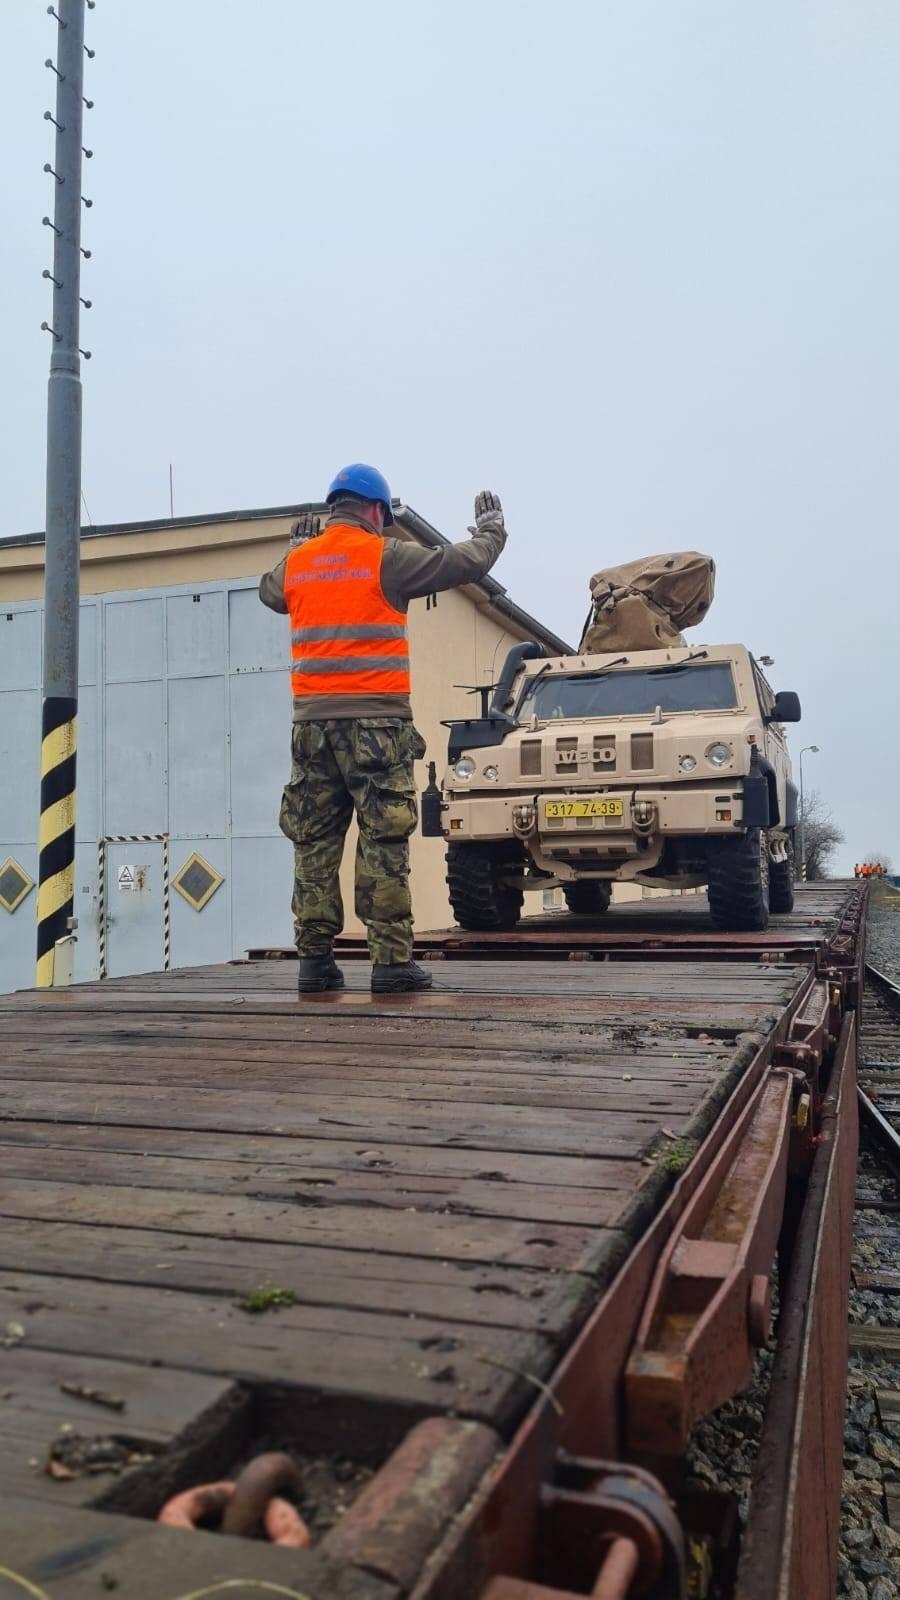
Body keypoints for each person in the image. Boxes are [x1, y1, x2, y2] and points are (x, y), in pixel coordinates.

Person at [259, 464, 507, 994]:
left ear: (334, 508)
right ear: (376, 511)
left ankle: (315, 964)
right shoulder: (386, 558)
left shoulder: (298, 565)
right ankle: (391, 964)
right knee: (384, 838)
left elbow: (271, 591)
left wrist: (295, 548)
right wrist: (492, 532)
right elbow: (461, 563)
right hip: (377, 725)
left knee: (314, 842)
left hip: (312, 730)